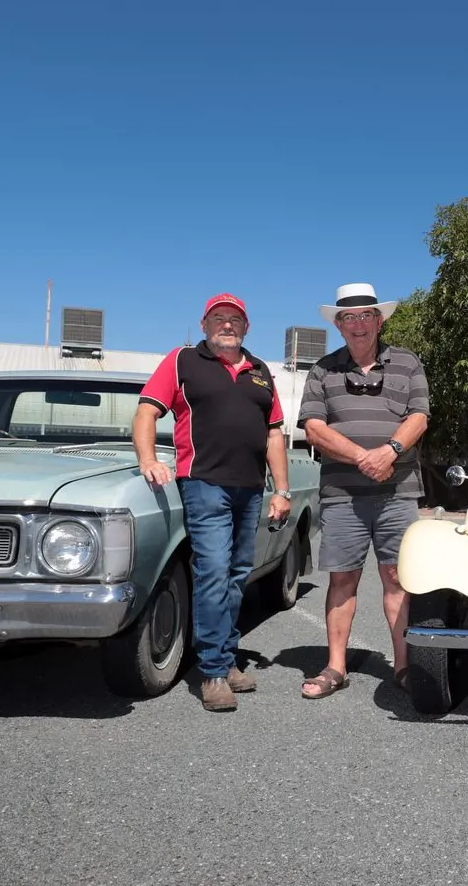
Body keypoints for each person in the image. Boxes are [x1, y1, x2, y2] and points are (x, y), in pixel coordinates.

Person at [133, 293, 291, 712]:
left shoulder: (260, 372)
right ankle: (214, 673)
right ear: (204, 324)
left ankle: (226, 654)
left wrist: (282, 489)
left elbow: (275, 432)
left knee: (239, 573)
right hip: (204, 484)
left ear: (246, 327)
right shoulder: (183, 360)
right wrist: (148, 460)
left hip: (250, 488)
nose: (227, 324)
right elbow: (147, 411)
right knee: (214, 571)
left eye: (235, 319)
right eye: (218, 318)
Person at [297, 282, 429, 699]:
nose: (358, 324)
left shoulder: (408, 363)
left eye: (366, 316)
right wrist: (362, 457)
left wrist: (389, 451)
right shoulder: (322, 370)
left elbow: (420, 416)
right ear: (338, 325)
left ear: (380, 320)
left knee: (398, 578)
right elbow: (314, 429)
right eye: (349, 317)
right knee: (343, 580)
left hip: (399, 492)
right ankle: (336, 667)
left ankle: (405, 667)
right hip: (342, 495)